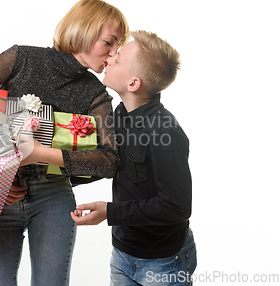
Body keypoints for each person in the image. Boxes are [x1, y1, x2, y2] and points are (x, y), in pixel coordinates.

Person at [0, 0, 129, 286]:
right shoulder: (20, 59)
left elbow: (109, 161)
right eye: (109, 42)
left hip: (53, 196)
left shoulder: (96, 93)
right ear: (83, 30)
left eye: (119, 44)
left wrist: (39, 154)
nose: (114, 52)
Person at [71, 30, 197, 285]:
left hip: (163, 263)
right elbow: (109, 163)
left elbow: (177, 207)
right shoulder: (119, 114)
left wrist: (110, 211)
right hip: (122, 253)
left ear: (133, 84)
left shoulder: (166, 132)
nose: (109, 58)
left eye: (117, 60)